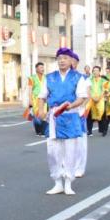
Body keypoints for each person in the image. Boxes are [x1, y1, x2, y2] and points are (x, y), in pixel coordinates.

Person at [42, 47, 89, 196]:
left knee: (70, 151)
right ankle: (57, 182)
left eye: (65, 58)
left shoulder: (78, 77)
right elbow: (41, 96)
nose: (62, 61)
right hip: (54, 117)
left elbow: (82, 97)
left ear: (71, 61)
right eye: (59, 58)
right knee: (53, 151)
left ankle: (68, 182)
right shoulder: (49, 77)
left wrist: (70, 106)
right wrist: (41, 110)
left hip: (70, 115)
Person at [28, 62, 48, 136]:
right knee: (36, 116)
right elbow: (30, 90)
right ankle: (38, 131)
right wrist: (30, 100)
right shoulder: (32, 78)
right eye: (40, 67)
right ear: (36, 69)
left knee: (44, 114)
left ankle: (43, 131)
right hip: (35, 99)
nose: (42, 69)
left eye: (43, 67)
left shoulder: (46, 77)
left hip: (44, 99)